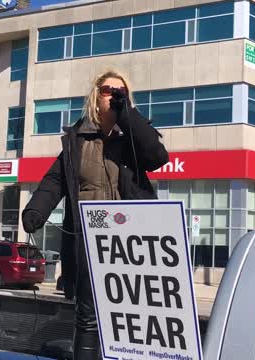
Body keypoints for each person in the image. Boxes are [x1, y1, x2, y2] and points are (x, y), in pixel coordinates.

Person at [22, 70, 169, 359]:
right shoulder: (77, 140)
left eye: (121, 91)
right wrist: (35, 210)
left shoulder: (133, 137)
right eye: (107, 90)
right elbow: (55, 181)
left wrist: (127, 114)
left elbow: (157, 156)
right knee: (88, 317)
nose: (114, 95)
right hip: (89, 243)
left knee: (130, 317)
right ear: (94, 96)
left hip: (130, 245)